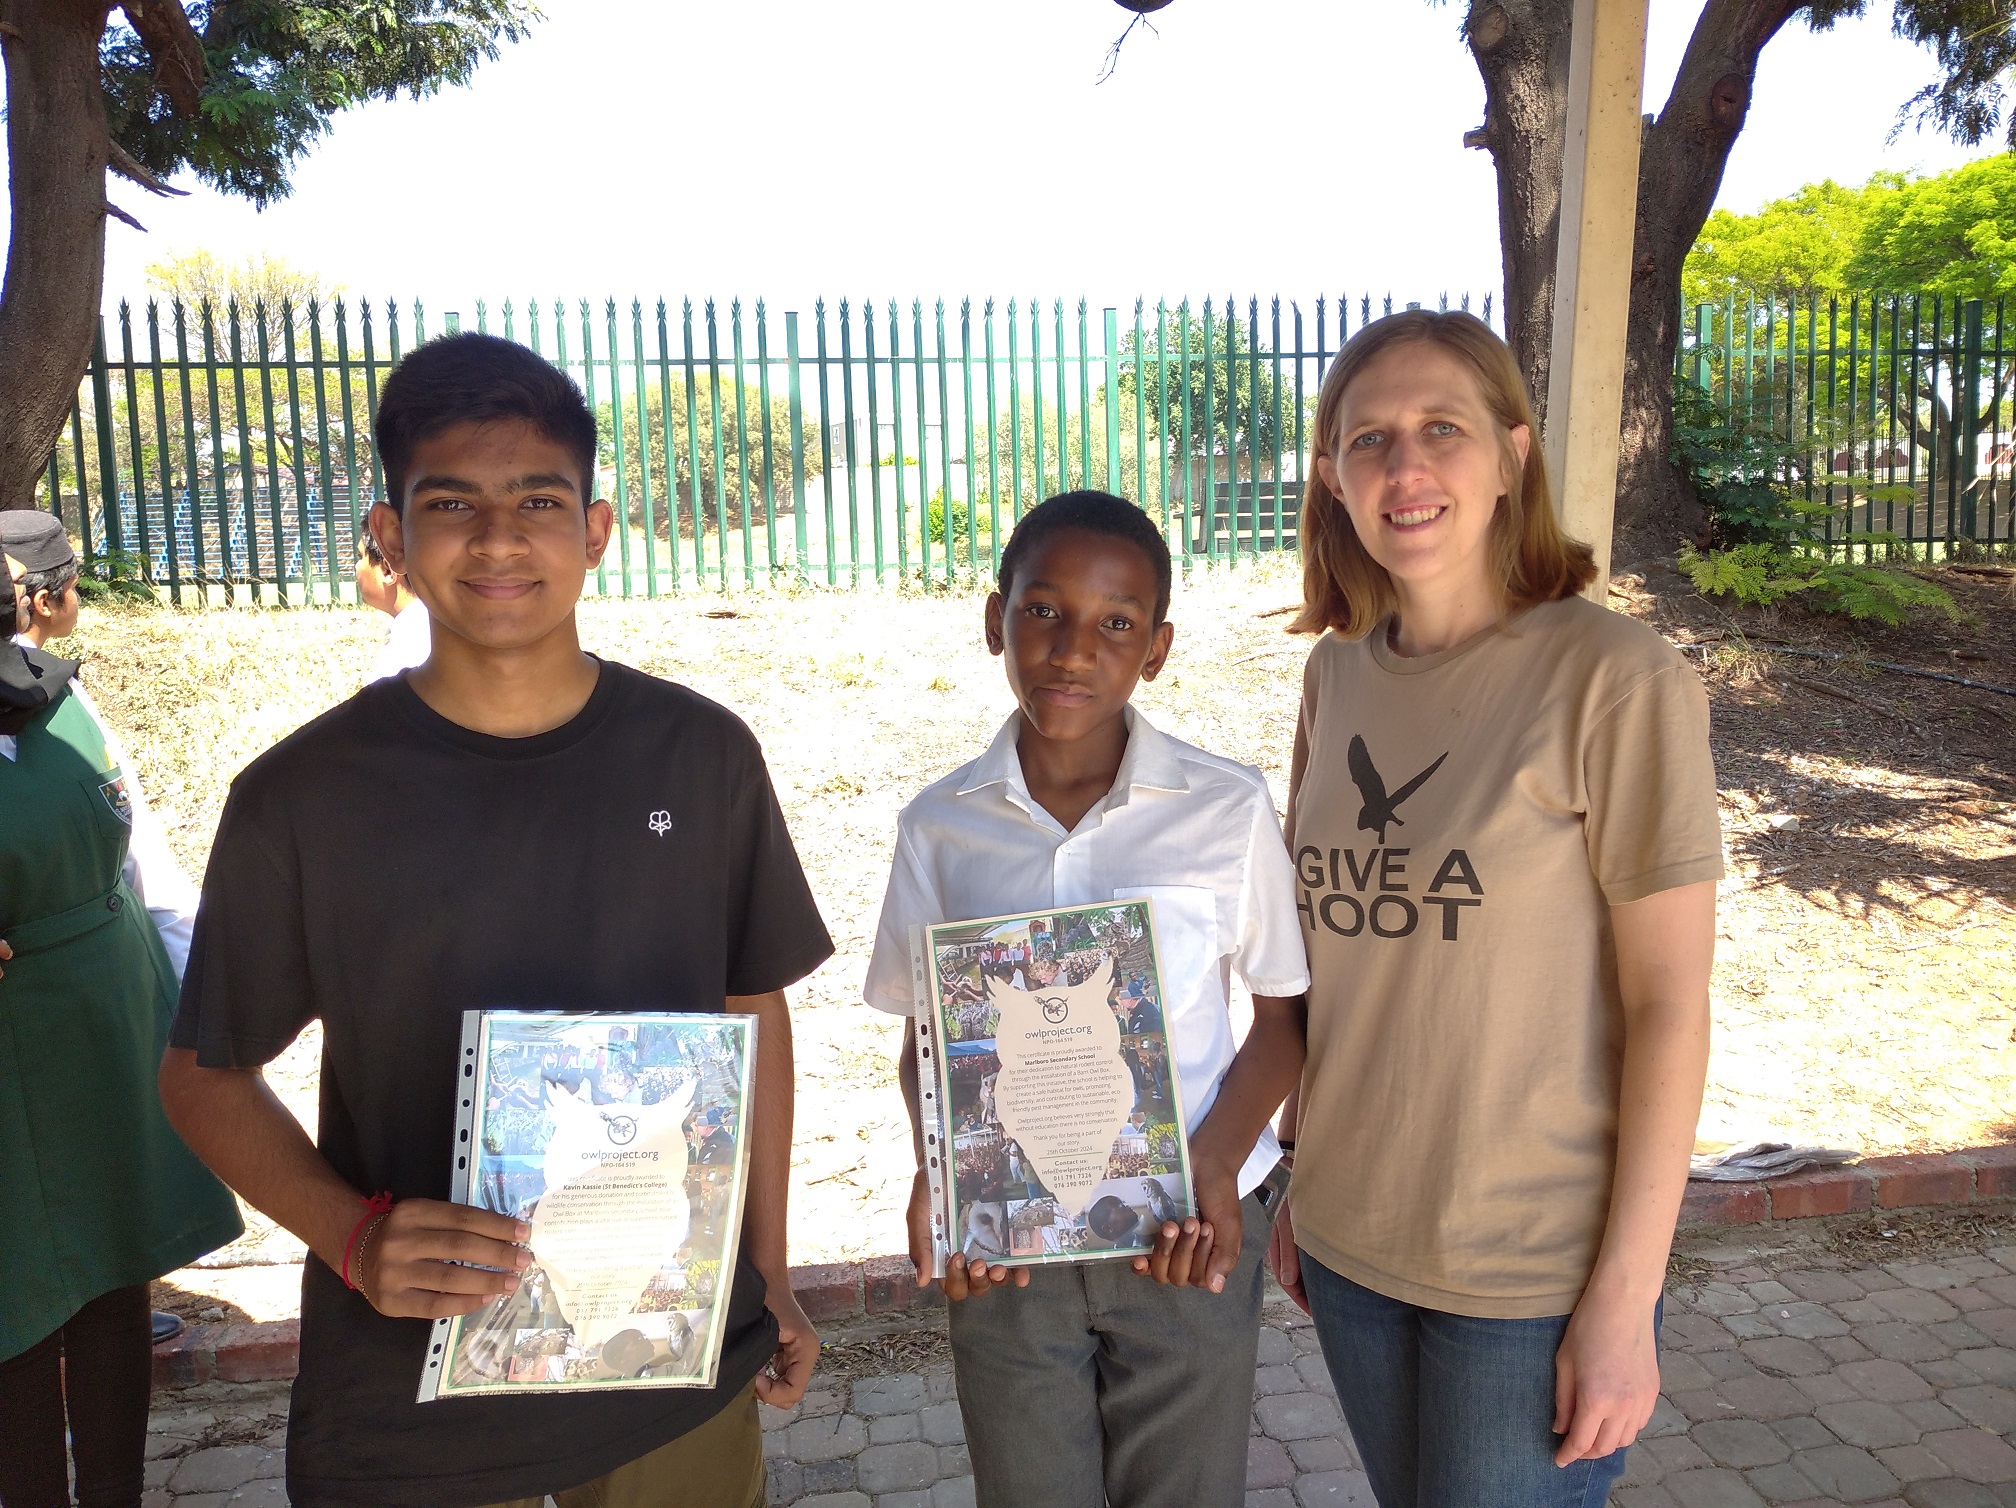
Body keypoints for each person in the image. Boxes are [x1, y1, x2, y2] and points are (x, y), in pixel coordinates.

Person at [158, 333, 832, 1508]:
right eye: (452, 502)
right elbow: (202, 1075)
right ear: (389, 537)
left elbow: (750, 1008)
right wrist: (353, 1236)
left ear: (598, 527)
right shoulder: (301, 797)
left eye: (537, 498)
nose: (501, 536)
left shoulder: (704, 753)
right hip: (414, 1396)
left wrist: (765, 1264)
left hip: (668, 1365)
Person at [1267, 310, 1720, 1507]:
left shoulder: (1616, 679)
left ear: (1514, 453)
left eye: (1442, 429)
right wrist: (1300, 1170)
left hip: (1531, 1271)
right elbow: (1324, 961)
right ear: (1333, 479)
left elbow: (1670, 1004)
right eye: (1368, 440)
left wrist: (1625, 1294)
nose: (1404, 468)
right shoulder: (1336, 675)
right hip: (1352, 1238)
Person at [864, 490, 1311, 1508]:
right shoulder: (941, 827)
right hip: (1014, 1246)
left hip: (1186, 1234)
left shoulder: (1225, 805)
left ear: (1155, 649)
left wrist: (1210, 1159)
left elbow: (1283, 1020)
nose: (1074, 649)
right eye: (1042, 610)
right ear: (994, 620)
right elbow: (928, 1032)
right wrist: (943, 1172)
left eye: (1115, 624)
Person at [0, 528, 244, 1508]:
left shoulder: (55, 693)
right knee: (17, 1298)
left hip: (105, 1023)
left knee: (110, 1279)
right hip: (14, 1048)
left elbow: (140, 859)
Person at [354, 526, 432, 682]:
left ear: (387, 570)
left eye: (361, 556)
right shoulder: (428, 625)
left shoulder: (409, 644)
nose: (357, 566)